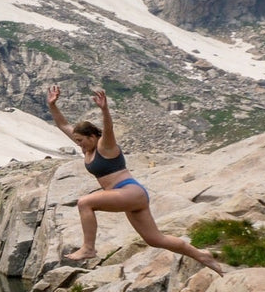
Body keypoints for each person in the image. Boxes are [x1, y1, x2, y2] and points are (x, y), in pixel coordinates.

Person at [46, 84, 226, 273]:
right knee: (155, 239)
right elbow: (62, 125)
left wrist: (104, 109)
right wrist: (53, 105)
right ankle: (202, 255)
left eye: (81, 141)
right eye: (77, 142)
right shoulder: (87, 147)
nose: (79, 146)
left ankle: (88, 248)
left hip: (129, 191)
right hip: (128, 197)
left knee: (85, 203)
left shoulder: (105, 146)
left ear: (92, 136)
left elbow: (108, 128)